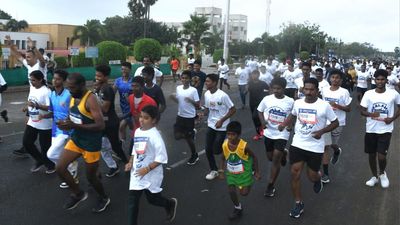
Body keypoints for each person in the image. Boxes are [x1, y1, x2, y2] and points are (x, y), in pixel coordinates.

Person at [279, 78, 339, 219]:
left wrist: (321, 132)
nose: (308, 92)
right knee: (295, 173)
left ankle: (318, 178)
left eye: (312, 89)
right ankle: (298, 203)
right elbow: (293, 115)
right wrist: (284, 124)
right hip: (298, 144)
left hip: (315, 147)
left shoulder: (324, 106)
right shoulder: (298, 103)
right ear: (303, 89)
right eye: (306, 89)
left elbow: (335, 122)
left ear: (317, 91)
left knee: (311, 176)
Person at [56, 73, 110, 212]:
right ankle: (78, 194)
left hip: (91, 143)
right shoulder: (73, 96)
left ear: (82, 85)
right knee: (60, 168)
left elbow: (101, 125)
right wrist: (66, 122)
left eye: (72, 88)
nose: (69, 90)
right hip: (77, 139)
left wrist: (74, 126)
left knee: (90, 177)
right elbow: (74, 115)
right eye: (68, 88)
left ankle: (104, 197)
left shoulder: (91, 99)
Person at [125, 105, 177, 225]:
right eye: (141, 117)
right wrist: (130, 162)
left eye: (146, 118)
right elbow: (135, 150)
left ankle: (169, 204)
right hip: (137, 172)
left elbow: (161, 158)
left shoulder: (155, 136)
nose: (141, 120)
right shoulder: (138, 131)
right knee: (133, 200)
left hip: (151, 174)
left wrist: (147, 169)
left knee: (152, 199)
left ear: (154, 120)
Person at [5, 35, 47, 156]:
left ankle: (46, 152)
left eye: (29, 57)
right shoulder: (29, 65)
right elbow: (18, 55)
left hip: (42, 99)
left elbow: (43, 60)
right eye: (26, 57)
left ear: (34, 57)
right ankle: (26, 146)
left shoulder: (40, 65)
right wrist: (10, 45)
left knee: (41, 124)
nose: (26, 59)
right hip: (32, 98)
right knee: (30, 122)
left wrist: (33, 47)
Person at [360, 69, 400, 188]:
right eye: (378, 79)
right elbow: (362, 110)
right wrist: (371, 114)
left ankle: (382, 173)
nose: (380, 81)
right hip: (371, 129)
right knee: (371, 155)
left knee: (381, 156)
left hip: (385, 129)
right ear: (374, 80)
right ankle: (374, 177)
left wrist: (392, 119)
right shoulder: (368, 94)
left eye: (383, 79)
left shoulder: (393, 93)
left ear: (386, 80)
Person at [257, 77, 294, 197]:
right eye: (274, 88)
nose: (276, 91)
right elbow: (259, 111)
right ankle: (284, 153)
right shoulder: (267, 99)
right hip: (268, 132)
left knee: (275, 159)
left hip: (282, 133)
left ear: (284, 89)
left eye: (278, 88)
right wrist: (262, 122)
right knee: (270, 157)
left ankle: (270, 185)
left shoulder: (290, 101)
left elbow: (294, 115)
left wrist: (288, 125)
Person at [44, 70, 79, 188]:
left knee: (51, 154)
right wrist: (40, 116)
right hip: (55, 129)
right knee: (60, 153)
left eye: (58, 79)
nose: (54, 80)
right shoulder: (52, 94)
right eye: (53, 78)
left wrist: (69, 123)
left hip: (65, 130)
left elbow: (74, 111)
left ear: (63, 81)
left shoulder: (69, 94)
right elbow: (52, 112)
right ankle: (71, 168)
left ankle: (69, 168)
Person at [221, 121, 260, 220]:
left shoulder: (244, 146)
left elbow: (254, 157)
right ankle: (237, 207)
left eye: (233, 135)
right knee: (231, 190)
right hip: (231, 172)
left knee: (244, 193)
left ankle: (249, 174)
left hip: (244, 173)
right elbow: (222, 158)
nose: (230, 137)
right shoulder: (225, 145)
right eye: (228, 134)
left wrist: (256, 171)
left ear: (238, 135)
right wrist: (221, 171)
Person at [202, 73, 236, 180]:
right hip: (211, 124)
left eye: (208, 81)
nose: (206, 83)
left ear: (215, 83)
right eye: (206, 81)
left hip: (222, 126)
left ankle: (227, 146)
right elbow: (207, 109)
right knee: (208, 148)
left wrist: (222, 120)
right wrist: (202, 114)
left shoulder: (223, 95)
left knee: (216, 150)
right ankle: (214, 170)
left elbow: (233, 109)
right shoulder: (207, 94)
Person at [320, 69, 352, 183]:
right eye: (333, 77)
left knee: (333, 144)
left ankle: (337, 150)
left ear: (341, 80)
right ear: (329, 78)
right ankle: (326, 174)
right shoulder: (324, 90)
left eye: (337, 77)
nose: (335, 79)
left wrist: (337, 106)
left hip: (338, 122)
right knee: (325, 147)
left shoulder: (344, 92)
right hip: (326, 121)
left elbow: (348, 109)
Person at [95, 65, 128, 167]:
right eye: (96, 75)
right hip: (103, 121)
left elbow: (105, 108)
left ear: (106, 77)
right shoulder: (100, 88)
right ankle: (113, 166)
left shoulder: (107, 89)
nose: (97, 78)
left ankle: (127, 163)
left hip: (110, 123)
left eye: (99, 76)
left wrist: (93, 101)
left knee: (115, 146)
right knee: (100, 143)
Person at [22, 70, 55, 173]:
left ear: (40, 80)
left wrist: (37, 106)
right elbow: (31, 101)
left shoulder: (47, 91)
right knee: (27, 142)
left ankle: (50, 165)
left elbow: (51, 108)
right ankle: (40, 160)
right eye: (30, 80)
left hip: (45, 123)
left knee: (45, 147)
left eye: (34, 80)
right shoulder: (32, 88)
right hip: (33, 121)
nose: (32, 82)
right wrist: (27, 111)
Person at [170, 70, 200, 165]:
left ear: (190, 79)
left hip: (189, 117)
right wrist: (173, 98)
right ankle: (191, 133)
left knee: (188, 139)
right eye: (182, 78)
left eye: (186, 78)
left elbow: (198, 106)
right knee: (177, 136)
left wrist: (191, 101)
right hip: (180, 116)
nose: (184, 80)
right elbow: (179, 101)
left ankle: (194, 155)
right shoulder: (178, 88)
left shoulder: (193, 90)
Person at [113, 62, 134, 142]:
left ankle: (130, 142)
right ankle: (124, 142)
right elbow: (112, 93)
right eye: (122, 69)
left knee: (122, 126)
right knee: (130, 126)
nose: (124, 71)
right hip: (123, 107)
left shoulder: (133, 81)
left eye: (125, 69)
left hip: (132, 107)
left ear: (130, 70)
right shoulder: (118, 81)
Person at [248, 70, 269, 140]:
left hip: (260, 103)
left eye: (255, 74)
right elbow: (246, 90)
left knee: (255, 117)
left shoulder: (262, 83)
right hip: (251, 103)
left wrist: (265, 97)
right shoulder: (250, 83)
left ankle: (260, 132)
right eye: (252, 74)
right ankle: (259, 131)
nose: (254, 76)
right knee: (255, 119)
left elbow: (269, 89)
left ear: (258, 75)